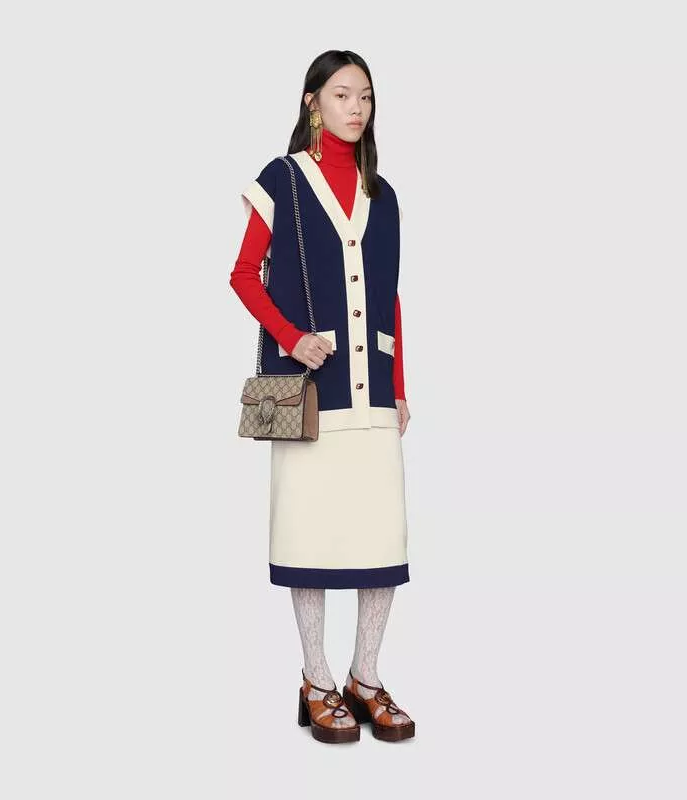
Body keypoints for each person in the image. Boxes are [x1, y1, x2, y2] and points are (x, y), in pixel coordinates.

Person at [229, 50, 415, 744]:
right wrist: (292, 337)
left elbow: (391, 296)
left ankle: (366, 678)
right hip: (309, 393)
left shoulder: (384, 195)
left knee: (381, 536)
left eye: (365, 96)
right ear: (312, 102)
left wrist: (400, 388)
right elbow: (243, 273)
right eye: (342, 94)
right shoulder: (281, 179)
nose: (356, 107)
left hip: (373, 396)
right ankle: (316, 680)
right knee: (308, 534)